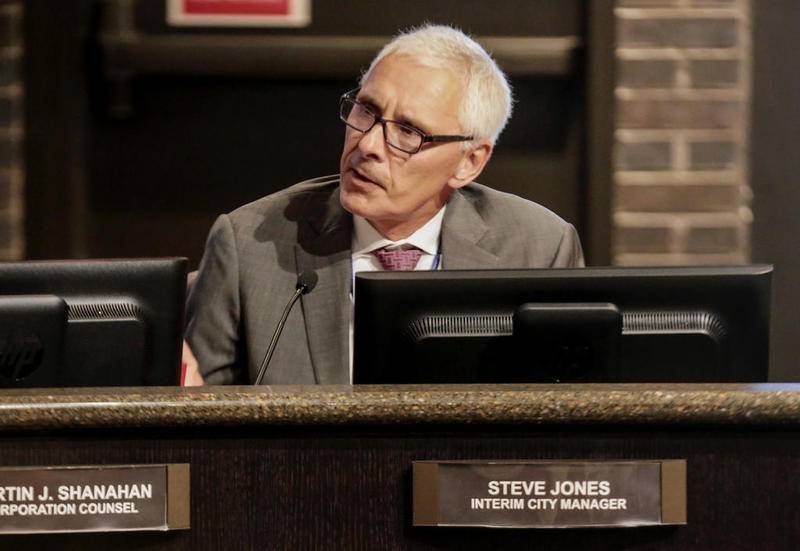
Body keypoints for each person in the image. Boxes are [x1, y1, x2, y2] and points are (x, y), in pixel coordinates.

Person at [184, 24, 584, 385]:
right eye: (366, 111)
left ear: (469, 161)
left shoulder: (539, 249)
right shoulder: (248, 244)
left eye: (408, 132)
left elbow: (564, 429)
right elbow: (198, 427)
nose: (368, 145)